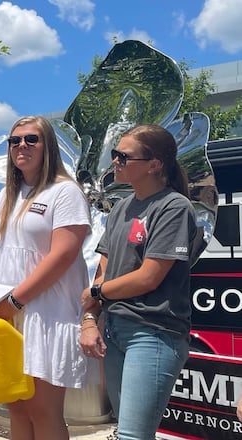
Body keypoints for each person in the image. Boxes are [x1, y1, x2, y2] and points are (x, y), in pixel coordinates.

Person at [80, 124, 198, 439]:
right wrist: (90, 319)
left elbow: (149, 276)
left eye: (123, 156)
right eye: (114, 154)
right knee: (126, 432)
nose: (114, 161)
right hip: (116, 331)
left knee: (132, 436)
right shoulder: (121, 208)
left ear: (154, 164)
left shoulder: (173, 206)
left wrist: (96, 293)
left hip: (154, 332)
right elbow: (103, 267)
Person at [0, 116, 92, 440]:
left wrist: (15, 300)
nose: (21, 146)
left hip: (45, 315)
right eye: (15, 141)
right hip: (6, 313)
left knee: (43, 410)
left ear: (48, 146)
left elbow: (63, 256)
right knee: (15, 406)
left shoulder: (64, 191)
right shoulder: (6, 195)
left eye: (31, 139)